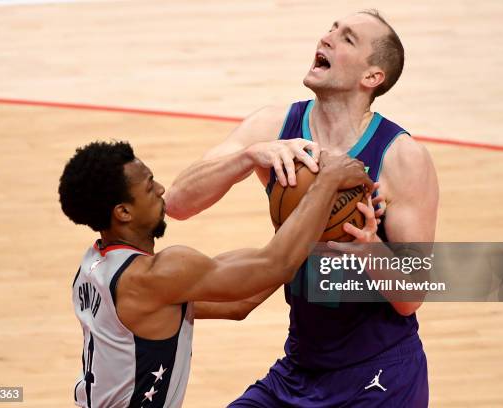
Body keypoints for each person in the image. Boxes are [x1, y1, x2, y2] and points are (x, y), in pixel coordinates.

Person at [165, 9, 439, 407]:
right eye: (331, 28)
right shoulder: (275, 127)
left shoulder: (402, 157)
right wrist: (247, 158)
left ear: (372, 77)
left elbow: (412, 295)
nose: (327, 38)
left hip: (380, 375)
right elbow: (177, 203)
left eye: (347, 39)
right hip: (300, 367)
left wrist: (370, 250)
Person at [58, 140, 371, 407]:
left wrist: (303, 232)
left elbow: (238, 303)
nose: (161, 189)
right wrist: (327, 182)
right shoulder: (157, 275)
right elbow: (275, 265)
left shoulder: (95, 266)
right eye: (149, 185)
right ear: (123, 212)